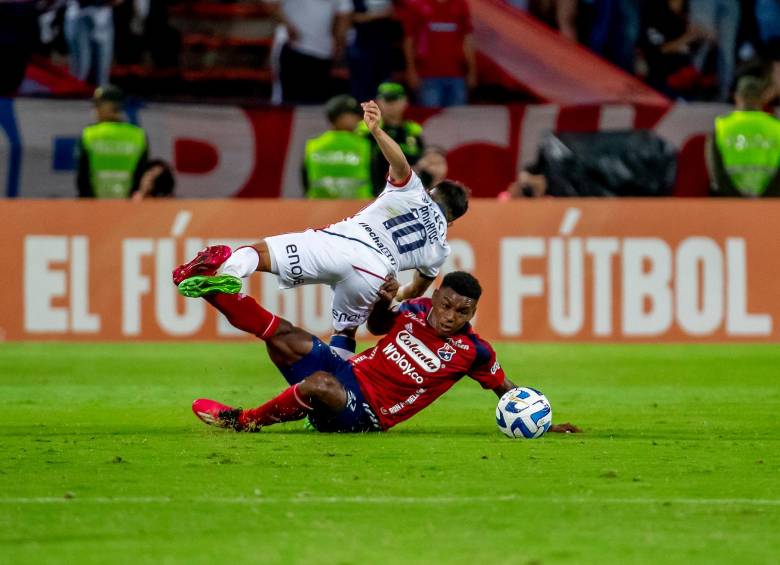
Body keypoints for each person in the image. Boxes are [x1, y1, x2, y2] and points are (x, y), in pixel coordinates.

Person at [173, 100, 470, 360]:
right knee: (346, 330)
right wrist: (391, 293)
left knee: (258, 253)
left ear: (432, 192)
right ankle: (337, 392)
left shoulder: (414, 191)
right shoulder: (439, 249)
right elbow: (415, 291)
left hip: (343, 242)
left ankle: (230, 276)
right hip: (376, 273)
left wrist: (378, 131)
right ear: (453, 221)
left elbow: (401, 164)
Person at [189, 271, 581, 435]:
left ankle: (242, 421)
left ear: (473, 313)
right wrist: (384, 301)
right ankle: (210, 289)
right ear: (436, 297)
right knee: (287, 336)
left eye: (462, 311)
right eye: (446, 305)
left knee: (319, 385)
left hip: (369, 413)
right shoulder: (415, 311)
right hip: (350, 375)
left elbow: (505, 388)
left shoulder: (473, 351)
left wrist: (543, 423)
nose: (450, 316)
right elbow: (377, 327)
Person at [706, 76, 780, 197]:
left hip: (731, 203)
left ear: (737, 97)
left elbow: (716, 172)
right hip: (769, 204)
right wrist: (767, 197)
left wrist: (735, 197)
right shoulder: (776, 127)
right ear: (761, 98)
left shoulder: (722, 126)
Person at [266, 0, 352, 104]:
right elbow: (271, 4)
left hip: (322, 52)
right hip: (295, 47)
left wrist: (339, 44)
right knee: (289, 102)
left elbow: (344, 15)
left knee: (314, 103)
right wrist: (289, 27)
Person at [77, 85, 149, 198]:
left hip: (94, 207)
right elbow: (141, 176)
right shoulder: (138, 135)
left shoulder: (89, 134)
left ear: (111, 106)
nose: (94, 109)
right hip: (129, 207)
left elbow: (82, 178)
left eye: (98, 104)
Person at [403, 0, 477, 108]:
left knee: (458, 121)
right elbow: (409, 40)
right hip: (428, 76)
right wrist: (411, 70)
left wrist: (472, 71)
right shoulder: (418, 5)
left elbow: (468, 39)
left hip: (457, 76)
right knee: (432, 119)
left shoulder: (460, 4)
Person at [357, 82, 425, 195]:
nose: (391, 104)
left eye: (395, 99)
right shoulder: (365, 130)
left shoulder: (412, 131)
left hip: (405, 195)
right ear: (377, 102)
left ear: (405, 101)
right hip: (371, 194)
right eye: (386, 100)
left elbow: (420, 160)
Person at [303, 95, 373, 199]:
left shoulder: (313, 145)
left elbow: (305, 183)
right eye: (353, 114)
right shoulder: (363, 144)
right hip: (360, 209)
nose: (359, 119)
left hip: (318, 209)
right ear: (340, 117)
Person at [347, 0, 398, 103]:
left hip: (385, 50)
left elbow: (396, 14)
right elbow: (350, 17)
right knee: (362, 90)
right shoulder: (355, 2)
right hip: (362, 49)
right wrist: (376, 15)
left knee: (384, 89)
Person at [64, 0, 122, 87]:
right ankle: (75, 94)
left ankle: (98, 95)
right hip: (79, 16)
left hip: (104, 18)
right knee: (82, 67)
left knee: (102, 70)